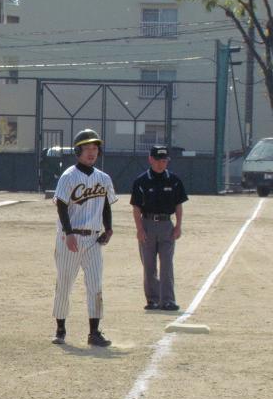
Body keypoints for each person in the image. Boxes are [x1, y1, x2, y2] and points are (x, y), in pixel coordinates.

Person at [51, 128, 118, 347]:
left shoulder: (103, 178)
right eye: (87, 148)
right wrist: (69, 233)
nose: (91, 152)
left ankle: (94, 332)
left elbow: (106, 205)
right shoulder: (69, 176)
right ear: (78, 151)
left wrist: (109, 229)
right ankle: (60, 329)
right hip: (69, 239)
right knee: (64, 284)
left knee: (95, 285)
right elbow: (61, 205)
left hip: (93, 240)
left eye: (95, 148)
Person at [130, 145, 188, 311]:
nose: (161, 164)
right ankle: (153, 300)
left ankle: (168, 300)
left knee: (167, 264)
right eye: (158, 160)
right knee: (149, 265)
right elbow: (136, 208)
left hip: (166, 225)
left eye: (164, 161)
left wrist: (178, 226)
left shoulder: (174, 180)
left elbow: (178, 205)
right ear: (150, 159)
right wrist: (139, 229)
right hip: (147, 224)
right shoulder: (141, 181)